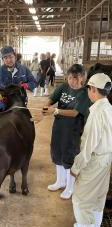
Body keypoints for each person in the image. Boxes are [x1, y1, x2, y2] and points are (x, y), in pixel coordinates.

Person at [65, 73, 112, 227]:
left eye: (89, 89)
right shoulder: (108, 107)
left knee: (82, 201)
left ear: (93, 89)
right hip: (106, 158)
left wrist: (76, 168)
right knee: (99, 196)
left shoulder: (96, 114)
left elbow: (88, 147)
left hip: (94, 160)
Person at [42, 64, 90, 199]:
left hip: (73, 130)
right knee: (57, 153)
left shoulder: (84, 93)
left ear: (82, 78)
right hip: (58, 127)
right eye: (70, 78)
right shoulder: (63, 87)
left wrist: (56, 110)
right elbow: (52, 98)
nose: (72, 81)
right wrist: (46, 105)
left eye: (76, 78)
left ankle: (70, 187)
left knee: (69, 157)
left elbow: (75, 113)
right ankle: (60, 181)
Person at [0, 45, 36, 112]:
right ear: (2, 59)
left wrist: (26, 85)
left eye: (11, 57)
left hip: (20, 102)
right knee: (4, 121)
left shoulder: (23, 69)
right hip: (3, 103)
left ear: (15, 57)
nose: (9, 60)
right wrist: (0, 96)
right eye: (5, 58)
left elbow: (33, 82)